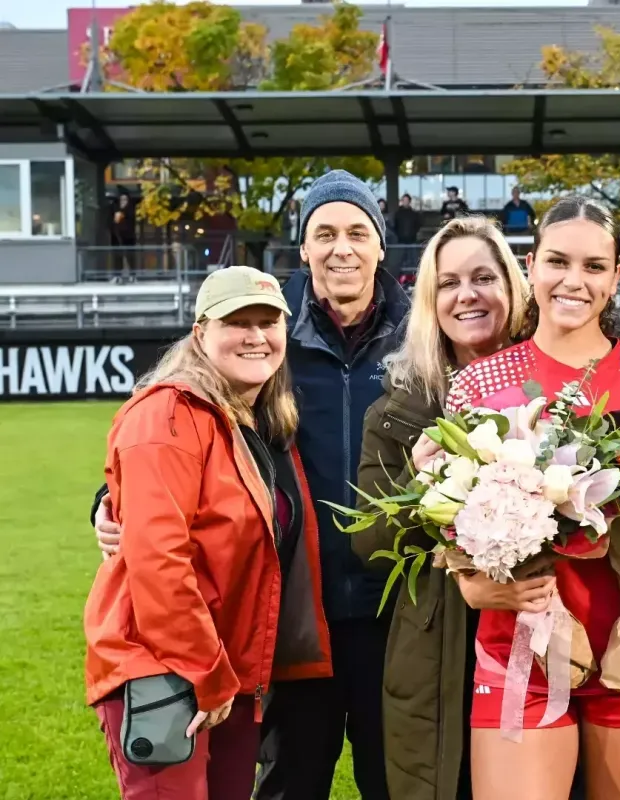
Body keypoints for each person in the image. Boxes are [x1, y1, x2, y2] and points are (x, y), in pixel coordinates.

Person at [94, 169, 409, 800]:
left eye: (356, 231)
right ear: (305, 248)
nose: (340, 247)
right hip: (292, 616)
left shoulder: (424, 336)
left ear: (380, 244)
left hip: (391, 612)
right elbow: (166, 448)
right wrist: (105, 503)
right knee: (289, 781)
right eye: (324, 232)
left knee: (398, 783)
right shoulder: (267, 335)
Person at [438, 196, 620, 800]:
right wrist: (470, 580)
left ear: (616, 279)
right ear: (531, 267)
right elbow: (448, 519)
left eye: (594, 267)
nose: (574, 281)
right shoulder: (480, 384)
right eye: (559, 262)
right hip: (521, 651)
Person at [85, 266, 331, 798]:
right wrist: (205, 671)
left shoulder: (258, 419)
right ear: (200, 333)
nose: (255, 336)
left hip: (231, 673)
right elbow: (158, 558)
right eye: (236, 322)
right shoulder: (167, 414)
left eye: (267, 321)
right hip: (169, 669)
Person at [351, 216, 532, 800]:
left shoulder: (555, 386)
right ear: (431, 301)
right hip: (439, 652)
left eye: (483, 277)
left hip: (544, 642)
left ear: (512, 285)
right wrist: (418, 481)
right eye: (448, 282)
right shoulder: (398, 409)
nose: (467, 295)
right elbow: (370, 543)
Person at [394, 192, 423, 275]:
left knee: (413, 259)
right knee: (400, 260)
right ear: (402, 201)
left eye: (407, 200)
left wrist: (414, 233)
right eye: (404, 200)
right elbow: (395, 225)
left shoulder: (414, 214)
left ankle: (412, 277)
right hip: (401, 240)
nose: (405, 202)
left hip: (412, 239)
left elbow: (418, 225)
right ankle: (400, 278)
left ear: (409, 201)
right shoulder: (398, 214)